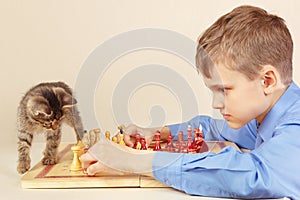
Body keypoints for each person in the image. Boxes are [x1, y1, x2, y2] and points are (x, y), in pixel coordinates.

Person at [81, 5, 300, 199]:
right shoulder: (263, 116)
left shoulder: (296, 124)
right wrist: (159, 132)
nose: (216, 103)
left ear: (267, 80)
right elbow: (212, 128)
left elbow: (257, 174)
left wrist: (136, 161)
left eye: (224, 90)